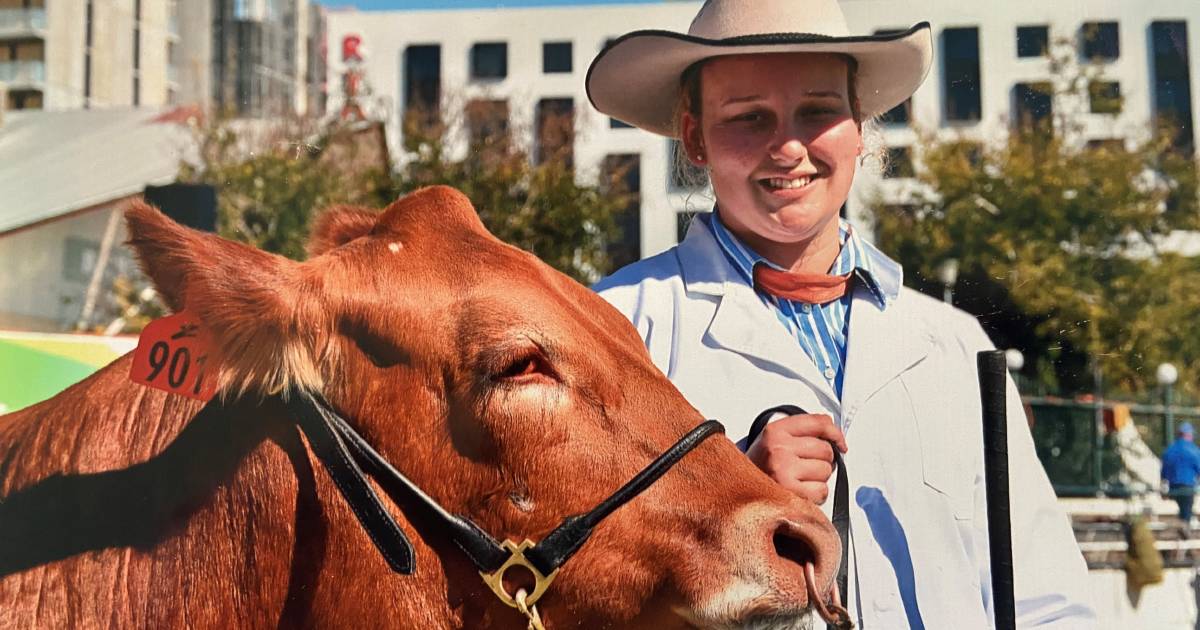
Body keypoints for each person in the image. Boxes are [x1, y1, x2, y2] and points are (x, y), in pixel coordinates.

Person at [587, 0, 1096, 627]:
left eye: (819, 110)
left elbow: (1048, 597)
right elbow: (577, 594)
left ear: (860, 126)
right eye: (749, 116)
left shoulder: (955, 344)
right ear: (696, 137)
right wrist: (725, 500)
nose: (790, 146)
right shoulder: (615, 327)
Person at [1161, 422, 1200, 523]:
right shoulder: (1193, 450)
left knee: (1183, 508)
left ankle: (1182, 523)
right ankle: (1185, 526)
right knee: (1186, 509)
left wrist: (1164, 486)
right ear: (1188, 435)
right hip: (1187, 487)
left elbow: (1163, 472)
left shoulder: (1170, 450)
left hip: (1173, 487)